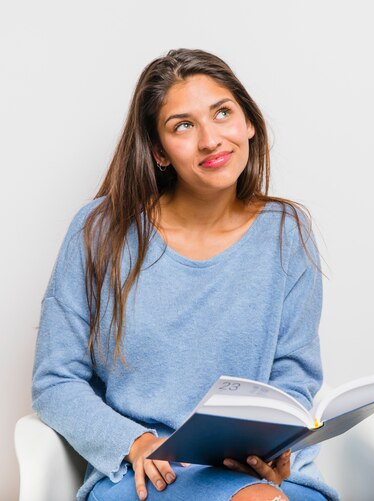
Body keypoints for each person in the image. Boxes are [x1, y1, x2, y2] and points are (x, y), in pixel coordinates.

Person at [32, 48, 338, 501]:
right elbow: (55, 381)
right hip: (150, 473)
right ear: (158, 151)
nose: (211, 139)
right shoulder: (101, 230)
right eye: (183, 125)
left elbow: (294, 374)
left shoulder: (286, 233)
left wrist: (275, 446)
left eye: (222, 113)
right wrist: (136, 443)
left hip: (264, 476)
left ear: (249, 123)